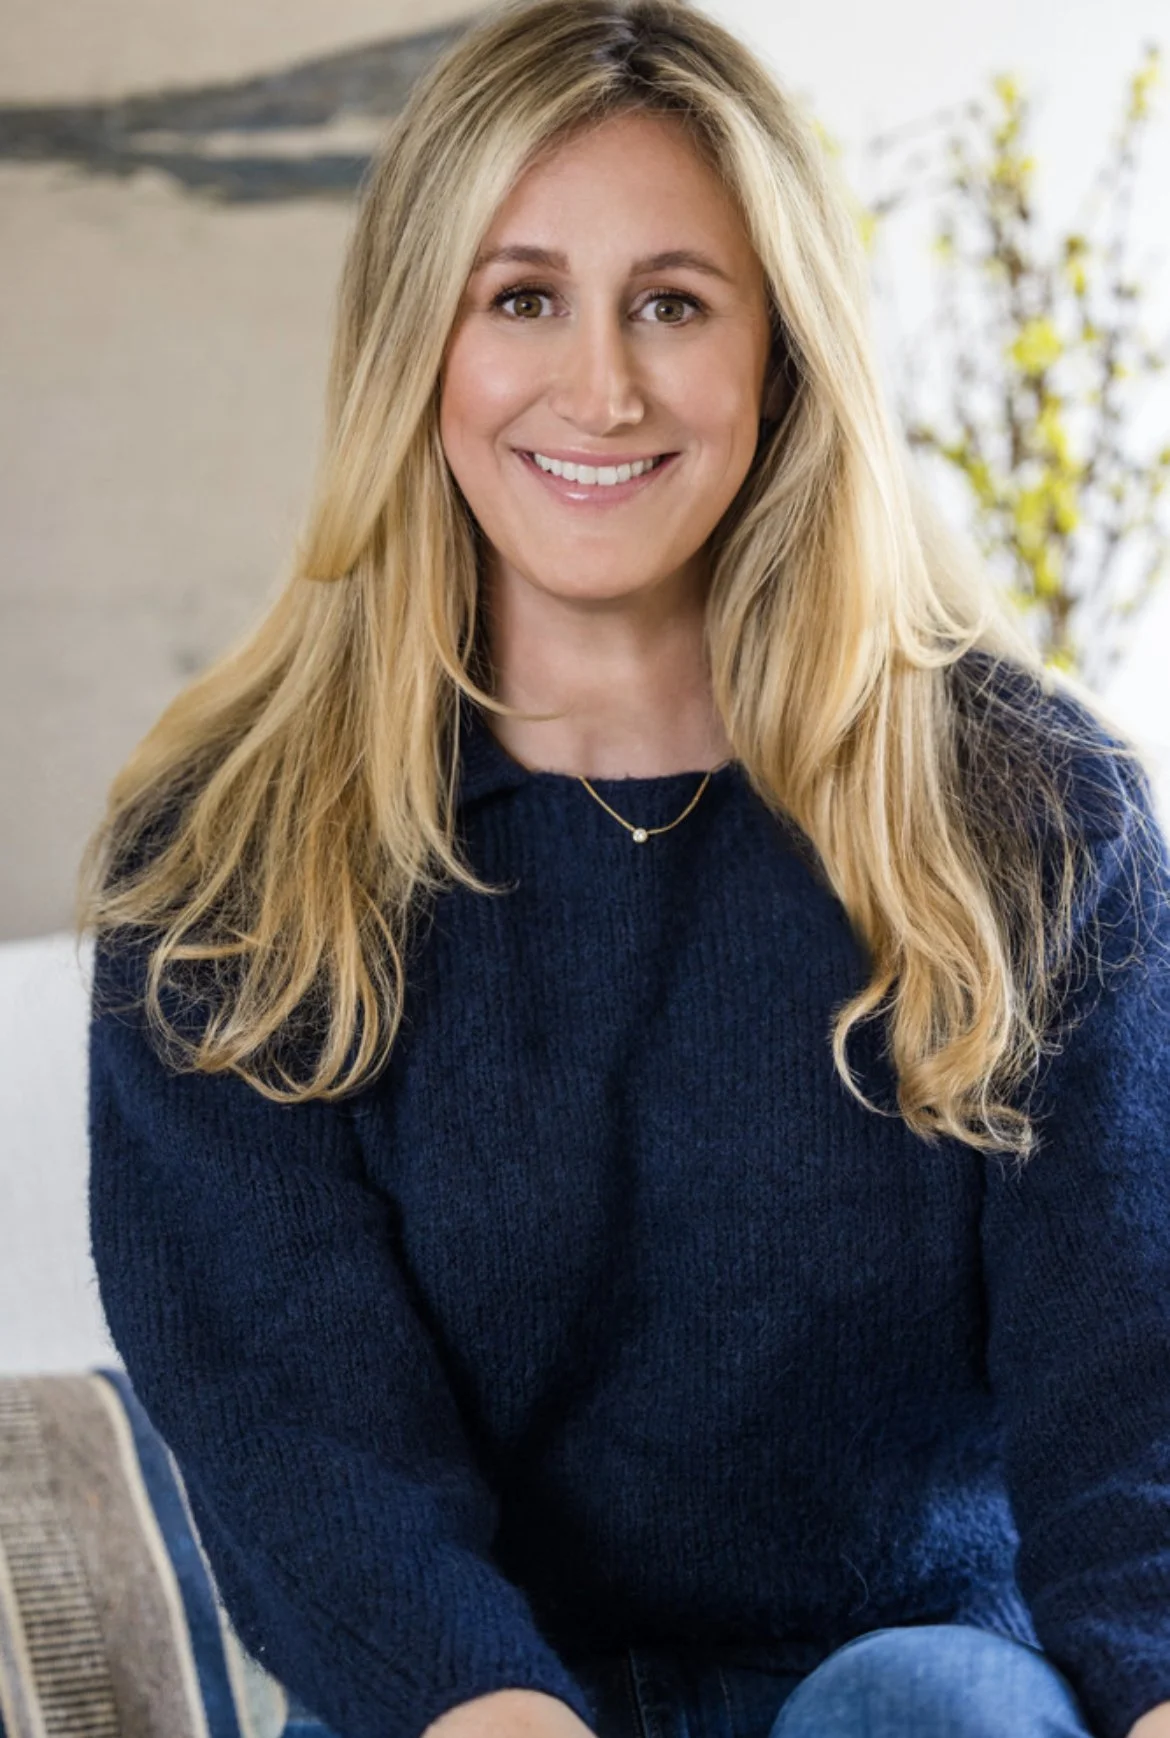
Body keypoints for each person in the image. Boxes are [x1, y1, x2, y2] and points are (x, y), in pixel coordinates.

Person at [78, 2, 1170, 1737]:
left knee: (935, 1705)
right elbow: (296, 1426)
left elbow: (1135, 1402)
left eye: (673, 302)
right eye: (522, 299)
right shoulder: (225, 864)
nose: (601, 386)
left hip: (906, 1689)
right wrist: (495, 1707)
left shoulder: (1033, 818)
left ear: (781, 353)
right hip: (456, 1711)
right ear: (417, 347)